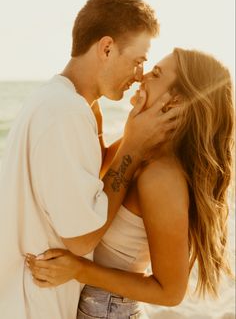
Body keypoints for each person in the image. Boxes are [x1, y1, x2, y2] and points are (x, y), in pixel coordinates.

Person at [0, 0, 179, 319]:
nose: (139, 75)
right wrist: (134, 147)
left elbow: (83, 184)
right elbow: (82, 239)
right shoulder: (66, 113)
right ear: (107, 48)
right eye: (138, 61)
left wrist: (132, 133)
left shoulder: (57, 101)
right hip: (35, 307)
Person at [27, 48, 234, 319]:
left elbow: (170, 292)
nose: (142, 77)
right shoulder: (142, 146)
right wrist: (94, 110)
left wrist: (78, 270)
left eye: (156, 74)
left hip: (109, 310)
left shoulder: (161, 176)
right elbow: (96, 174)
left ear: (176, 101)